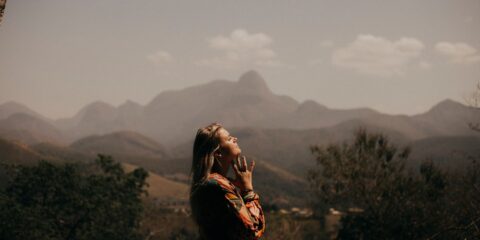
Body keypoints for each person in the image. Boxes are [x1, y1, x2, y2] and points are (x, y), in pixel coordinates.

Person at [190, 123, 266, 240]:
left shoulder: (209, 183)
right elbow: (252, 231)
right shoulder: (217, 185)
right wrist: (248, 190)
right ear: (218, 153)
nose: (235, 138)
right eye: (229, 138)